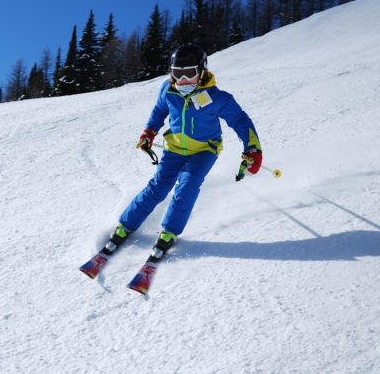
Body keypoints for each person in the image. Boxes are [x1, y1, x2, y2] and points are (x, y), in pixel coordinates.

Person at [96, 44, 263, 267]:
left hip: (204, 150)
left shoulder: (217, 98)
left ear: (202, 71)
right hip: (174, 148)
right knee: (158, 187)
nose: (183, 80)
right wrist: (149, 132)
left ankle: (169, 232)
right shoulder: (168, 90)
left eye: (190, 73)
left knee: (187, 186)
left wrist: (252, 148)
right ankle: (125, 225)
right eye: (177, 74)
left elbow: (240, 120)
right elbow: (158, 112)